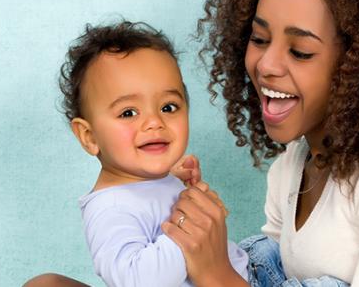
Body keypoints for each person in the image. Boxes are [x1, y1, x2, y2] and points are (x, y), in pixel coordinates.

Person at [162, 0, 359, 286]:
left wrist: (217, 277)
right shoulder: (291, 165)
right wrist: (179, 210)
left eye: (300, 52)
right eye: (259, 39)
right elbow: (265, 276)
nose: (266, 65)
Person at [39, 21, 248, 287]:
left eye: (169, 107)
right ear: (89, 137)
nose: (154, 122)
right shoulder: (109, 209)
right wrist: (192, 225)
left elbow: (149, 209)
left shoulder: (139, 180)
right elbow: (140, 280)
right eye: (128, 113)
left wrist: (170, 181)